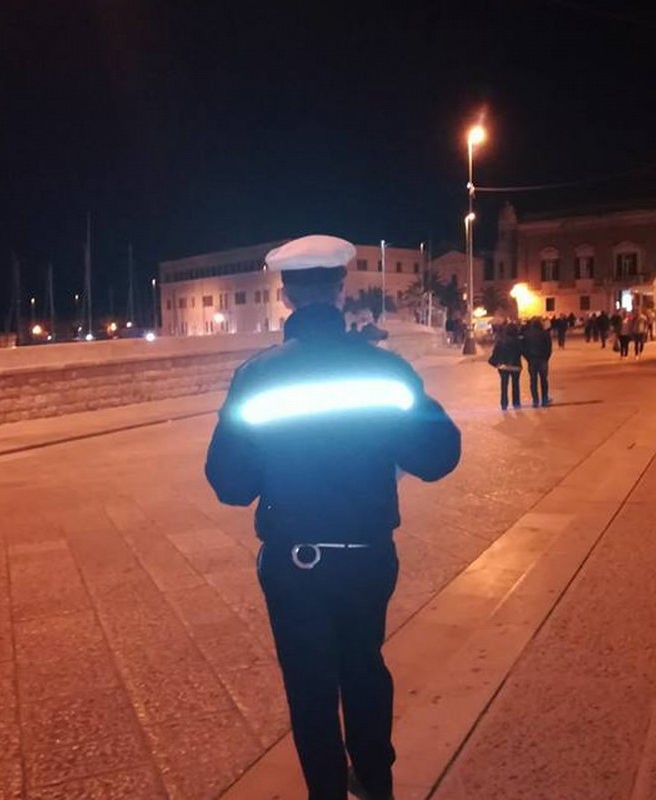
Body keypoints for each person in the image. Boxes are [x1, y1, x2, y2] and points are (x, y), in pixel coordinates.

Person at [205, 235, 461, 800]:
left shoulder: (257, 376)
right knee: (364, 667)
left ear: (286, 296)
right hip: (368, 556)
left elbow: (230, 484)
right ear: (342, 290)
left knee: (310, 689)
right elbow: (439, 456)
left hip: (295, 563)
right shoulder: (386, 371)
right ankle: (375, 782)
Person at [488, 323, 523, 409]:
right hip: (516, 366)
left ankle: (504, 403)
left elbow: (495, 352)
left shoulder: (501, 341)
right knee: (516, 385)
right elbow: (523, 352)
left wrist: (496, 363)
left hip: (503, 366)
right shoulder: (518, 341)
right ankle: (516, 402)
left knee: (504, 385)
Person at [521, 318, 553, 407]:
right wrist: (546, 357)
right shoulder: (545, 333)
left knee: (533, 381)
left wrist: (528, 358)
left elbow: (523, 348)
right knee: (544, 380)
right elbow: (549, 347)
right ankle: (544, 399)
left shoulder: (527, 334)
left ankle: (535, 401)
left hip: (532, 360)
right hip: (542, 359)